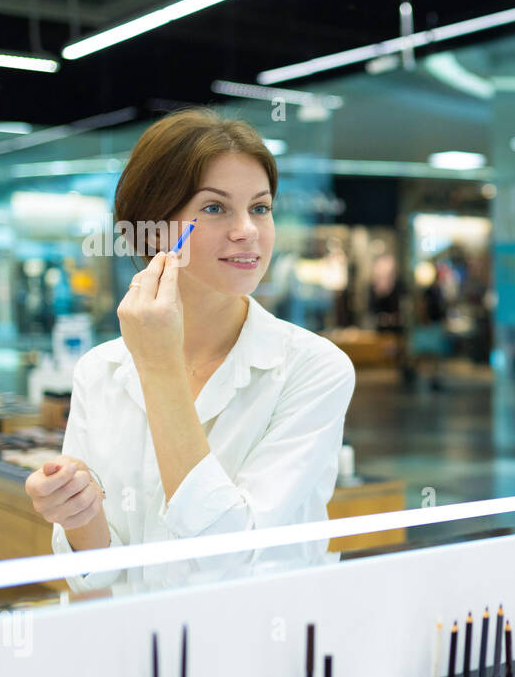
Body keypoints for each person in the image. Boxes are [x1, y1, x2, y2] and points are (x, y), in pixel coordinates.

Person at [25, 107, 356, 592]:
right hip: (135, 647)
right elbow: (94, 576)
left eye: (260, 207)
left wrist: (160, 368)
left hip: (257, 647)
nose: (247, 230)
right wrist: (78, 510)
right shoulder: (100, 370)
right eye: (215, 208)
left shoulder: (313, 368)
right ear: (153, 228)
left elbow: (228, 554)